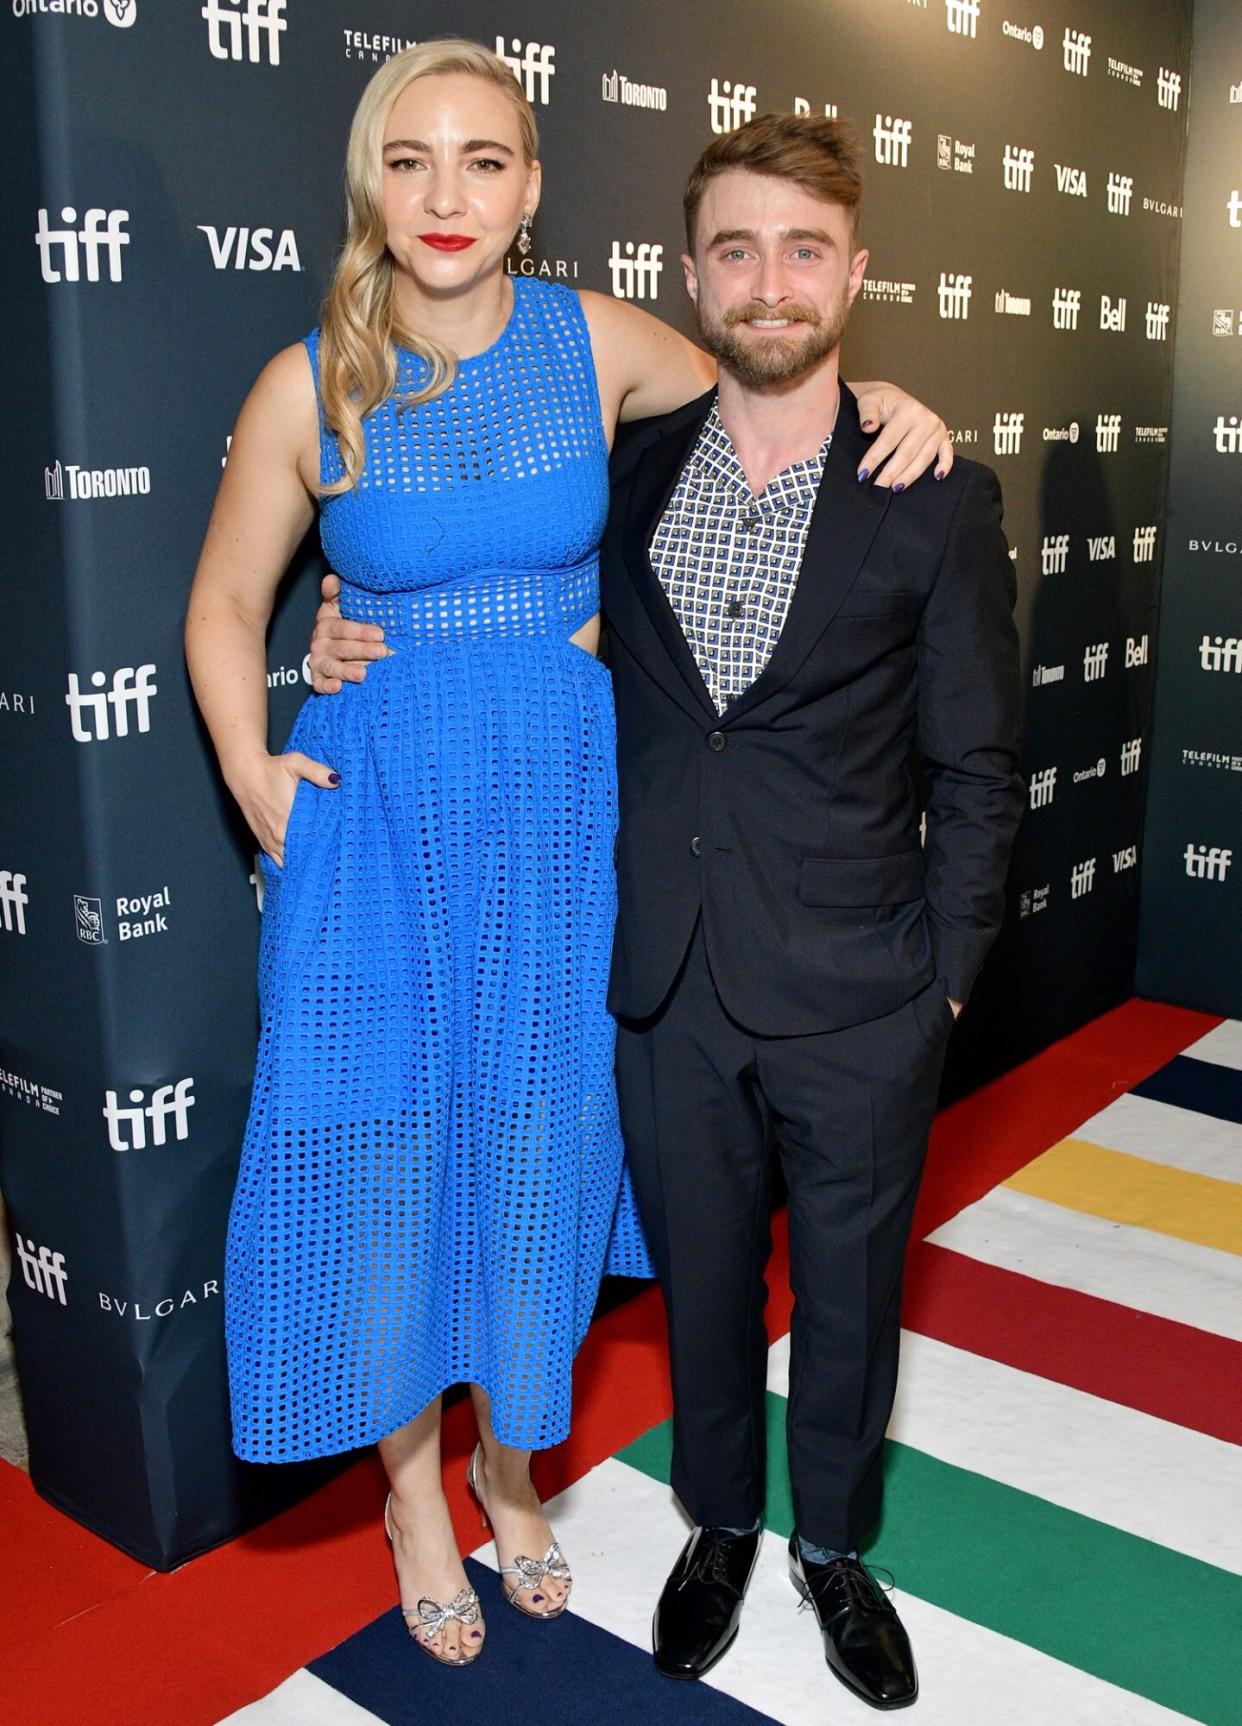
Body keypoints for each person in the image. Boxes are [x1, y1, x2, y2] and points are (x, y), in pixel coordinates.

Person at [189, 38, 953, 1671]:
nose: (446, 196)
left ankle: (508, 1469)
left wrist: (883, 392)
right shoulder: (305, 379)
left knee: (534, 1150)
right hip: (380, 829)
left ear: (534, 188)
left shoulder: (601, 341)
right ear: (369, 184)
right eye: (412, 161)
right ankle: (411, 1496)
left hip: (557, 824)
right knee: (386, 1162)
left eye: (484, 161)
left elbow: (772, 387)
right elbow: (223, 602)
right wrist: (259, 765)